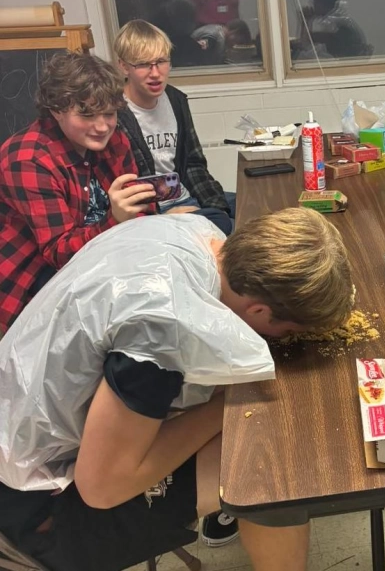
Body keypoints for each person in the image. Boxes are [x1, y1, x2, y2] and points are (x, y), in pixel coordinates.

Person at [0, 207, 354, 571]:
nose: (285, 338)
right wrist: (227, 406)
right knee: (271, 461)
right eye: (289, 331)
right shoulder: (162, 331)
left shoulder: (195, 230)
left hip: (32, 427)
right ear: (260, 311)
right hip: (40, 508)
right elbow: (102, 488)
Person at [0, 52, 156, 334]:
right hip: (34, 281)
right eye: (86, 115)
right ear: (56, 110)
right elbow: (58, 253)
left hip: (104, 261)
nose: (102, 126)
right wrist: (116, 219)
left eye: (109, 113)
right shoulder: (27, 158)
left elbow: (143, 209)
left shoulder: (115, 140)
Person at [114, 19, 235, 237]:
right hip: (151, 212)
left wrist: (216, 206)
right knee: (223, 226)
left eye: (161, 61)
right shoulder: (114, 113)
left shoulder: (176, 99)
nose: (155, 73)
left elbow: (194, 164)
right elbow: (124, 187)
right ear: (124, 66)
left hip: (186, 197)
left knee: (249, 209)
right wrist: (162, 217)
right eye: (143, 64)